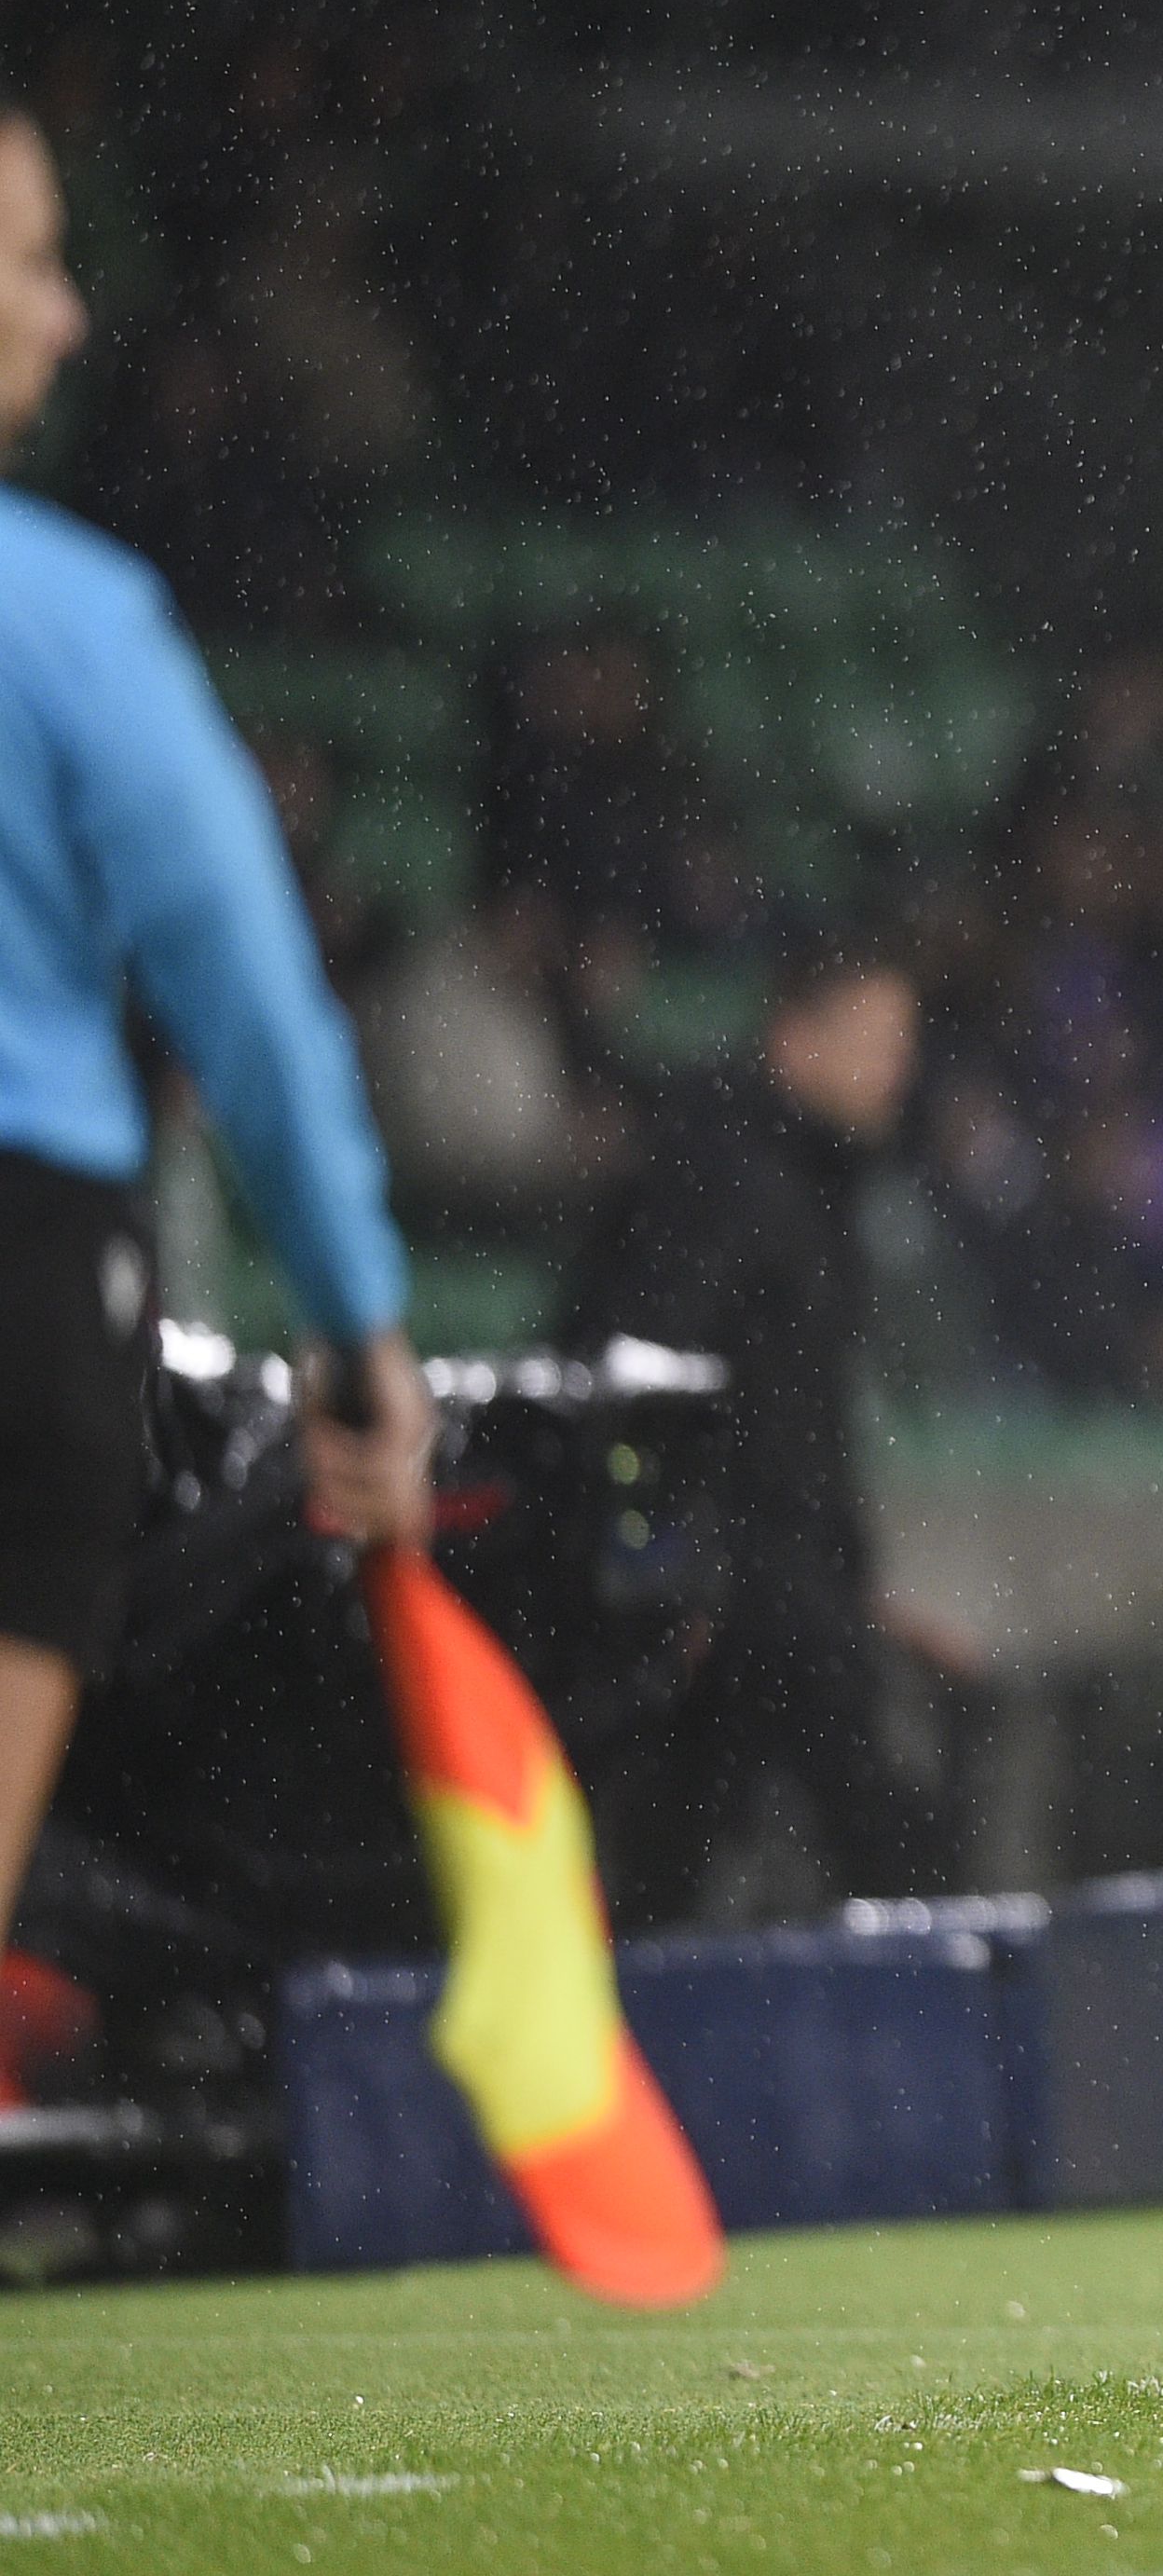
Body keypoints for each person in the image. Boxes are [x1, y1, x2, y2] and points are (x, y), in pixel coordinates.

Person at [0, 98, 429, 1994]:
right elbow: (252, 1002)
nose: (71, 314)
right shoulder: (70, 629)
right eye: (24, 257)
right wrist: (356, 1335)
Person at [556, 926, 953, 1925]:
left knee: (689, 1852)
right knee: (865, 1825)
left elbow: (805, 1420)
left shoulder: (817, 1183)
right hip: (737, 1586)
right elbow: (634, 1373)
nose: (895, 1068)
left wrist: (851, 1581)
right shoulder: (719, 1173)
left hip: (779, 1581)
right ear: (796, 1037)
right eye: (874, 1037)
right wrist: (663, 1575)